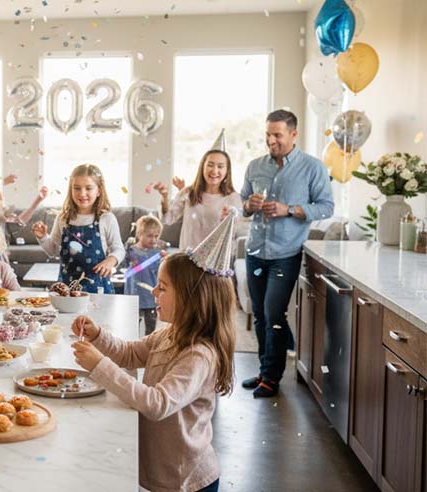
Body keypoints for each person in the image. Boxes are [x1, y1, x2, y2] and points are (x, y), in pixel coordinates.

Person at [72, 250, 236, 492]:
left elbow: (157, 403)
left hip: (185, 480)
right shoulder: (171, 334)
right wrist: (98, 335)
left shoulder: (199, 355)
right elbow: (129, 353)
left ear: (192, 298)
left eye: (162, 287)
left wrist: (99, 365)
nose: (154, 292)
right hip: (162, 473)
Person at [240, 109, 334, 398]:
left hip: (285, 253)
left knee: (274, 313)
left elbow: (327, 207)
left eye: (277, 135)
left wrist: (289, 210)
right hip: (255, 252)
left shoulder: (313, 168)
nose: (271, 140)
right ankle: (264, 370)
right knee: (259, 314)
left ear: (294, 134)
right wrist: (250, 205)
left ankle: (272, 376)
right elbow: (242, 202)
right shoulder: (255, 166)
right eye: (268, 134)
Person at [32, 164, 124, 294]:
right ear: (71, 190)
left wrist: (111, 260)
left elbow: (119, 249)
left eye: (88, 188)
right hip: (66, 288)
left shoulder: (106, 218)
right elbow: (52, 250)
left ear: (99, 190)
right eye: (77, 188)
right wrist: (42, 237)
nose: (82, 193)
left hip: (97, 288)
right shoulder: (63, 218)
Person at [151, 130, 246, 250]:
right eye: (210, 165)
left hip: (215, 261)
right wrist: (164, 197)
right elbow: (167, 219)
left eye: (220, 166)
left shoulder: (233, 198)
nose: (215, 171)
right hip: (187, 257)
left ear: (227, 171)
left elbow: (236, 229)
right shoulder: (187, 193)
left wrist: (228, 220)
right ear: (203, 167)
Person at [124, 215, 168, 335]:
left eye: (156, 236)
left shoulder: (157, 252)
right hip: (134, 295)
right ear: (139, 234)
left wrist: (165, 259)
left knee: (151, 326)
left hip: (151, 296)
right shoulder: (131, 250)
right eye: (149, 236)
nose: (153, 240)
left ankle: (148, 345)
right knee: (132, 325)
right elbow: (124, 261)